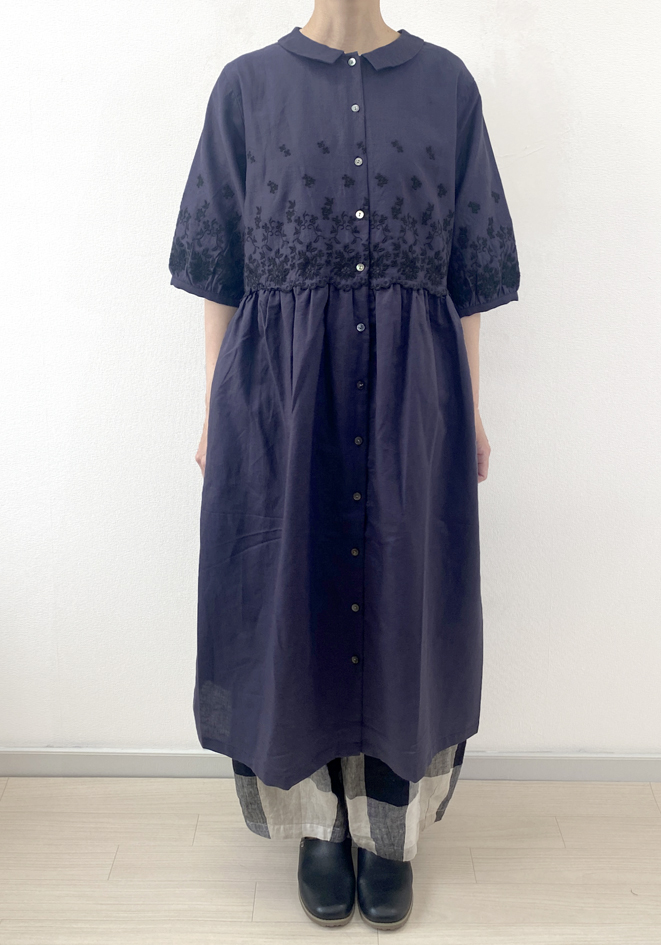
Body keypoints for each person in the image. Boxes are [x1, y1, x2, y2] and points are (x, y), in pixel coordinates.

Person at [168, 0, 520, 931]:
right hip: (284, 400)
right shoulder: (247, 89)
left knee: (405, 594)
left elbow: (468, 273)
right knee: (298, 593)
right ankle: (321, 824)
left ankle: (388, 829)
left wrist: (468, 407)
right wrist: (215, 407)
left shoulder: (447, 87)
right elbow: (218, 266)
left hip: (414, 398)